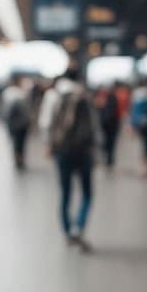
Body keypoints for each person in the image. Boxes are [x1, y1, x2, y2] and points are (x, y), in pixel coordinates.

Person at [42, 68, 98, 251]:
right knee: (87, 193)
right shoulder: (84, 95)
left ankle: (67, 232)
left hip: (62, 149)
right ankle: (78, 227)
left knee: (65, 193)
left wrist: (49, 145)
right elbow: (94, 125)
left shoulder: (53, 95)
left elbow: (46, 123)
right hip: (83, 150)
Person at [0, 75, 32, 170]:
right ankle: (20, 158)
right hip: (22, 123)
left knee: (15, 141)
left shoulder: (7, 92)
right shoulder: (22, 93)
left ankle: (17, 158)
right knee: (21, 142)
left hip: (12, 123)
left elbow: (3, 109)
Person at [95, 82, 122, 168]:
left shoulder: (109, 98)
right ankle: (108, 159)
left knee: (109, 142)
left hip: (110, 124)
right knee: (108, 142)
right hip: (109, 124)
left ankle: (109, 159)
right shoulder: (107, 97)